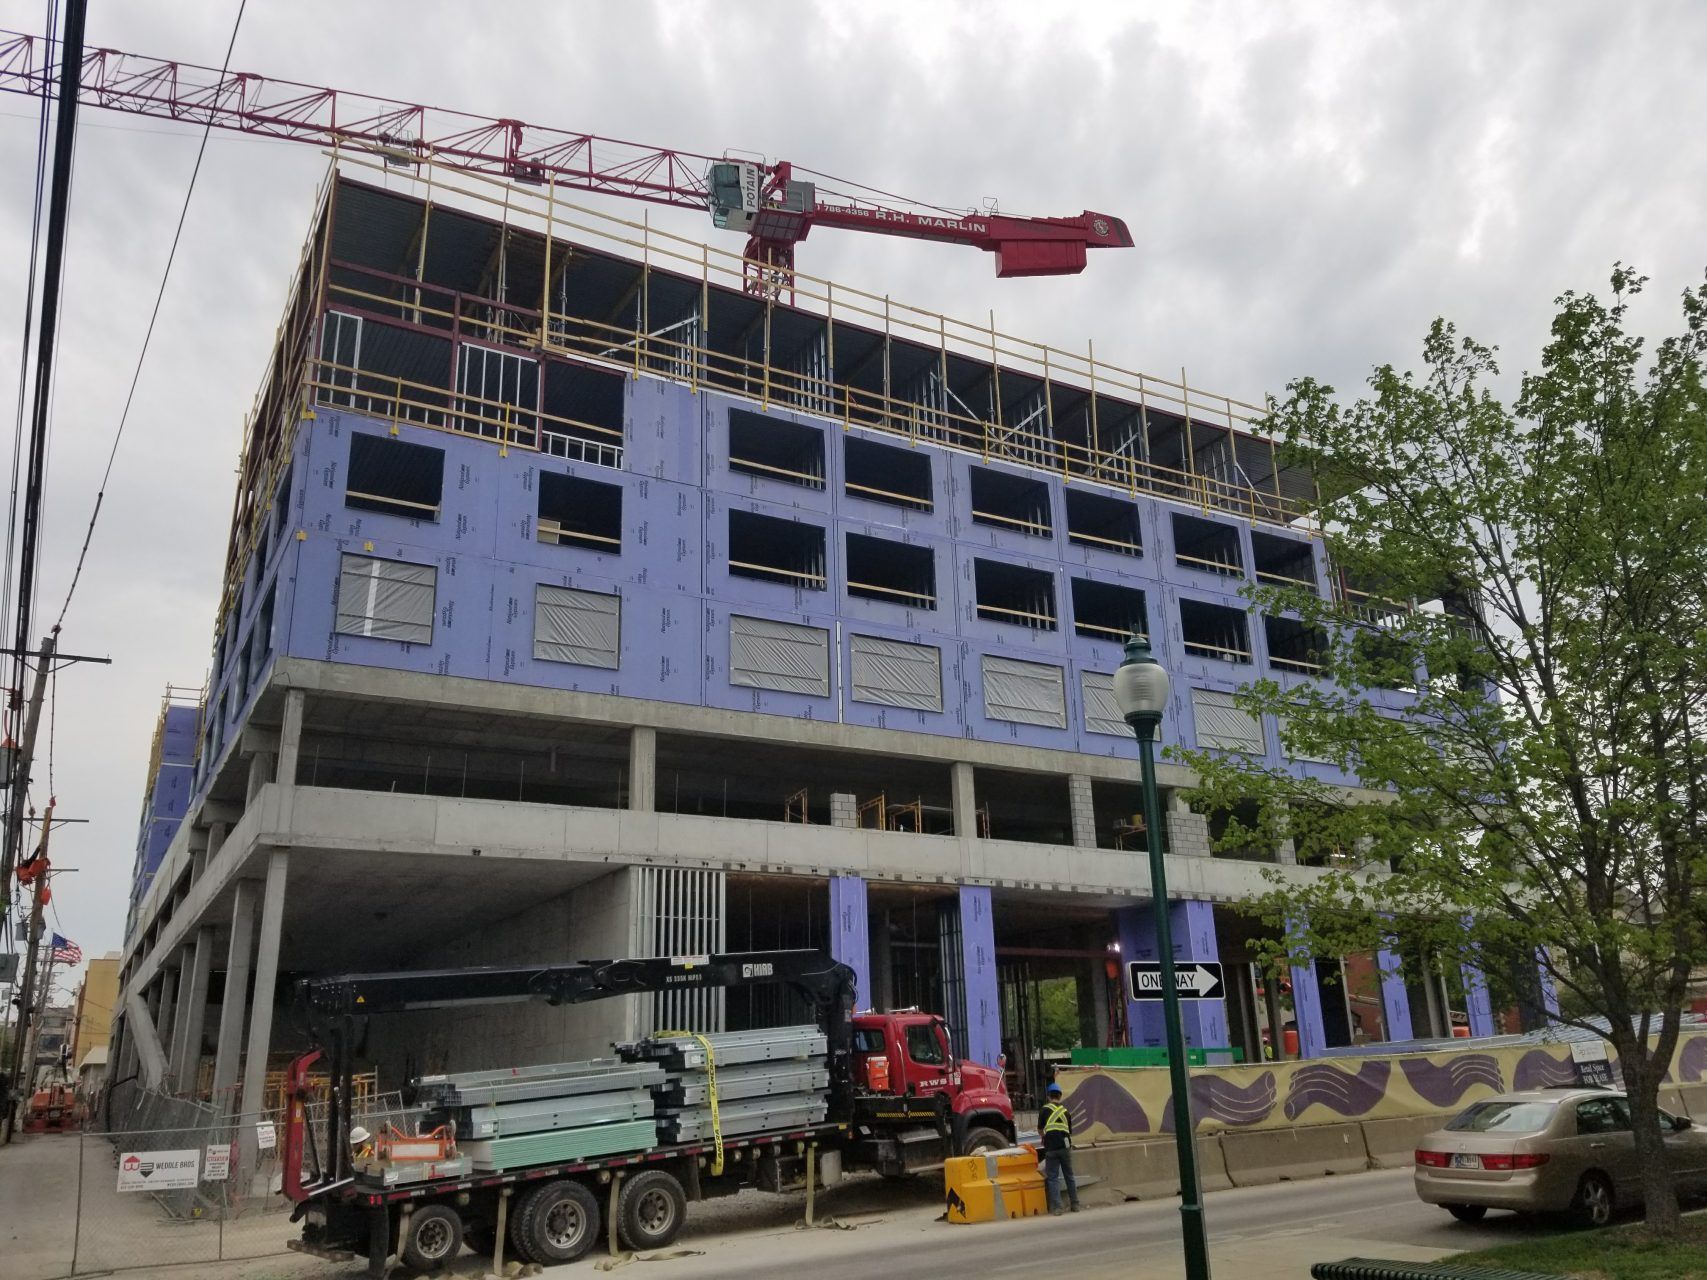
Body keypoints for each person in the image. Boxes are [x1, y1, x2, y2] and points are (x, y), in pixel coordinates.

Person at [1039, 1082, 1080, 1215]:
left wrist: (1044, 1136)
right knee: (1069, 1176)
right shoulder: (1066, 1112)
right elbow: (1069, 1131)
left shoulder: (1044, 1110)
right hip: (1065, 1147)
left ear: (1049, 1096)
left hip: (1051, 1148)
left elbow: (1040, 1129)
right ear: (1060, 1096)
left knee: (1053, 1178)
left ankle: (1057, 1208)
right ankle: (1075, 1205)